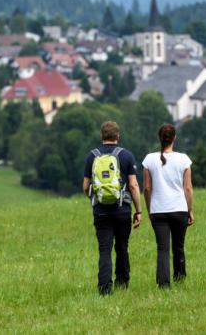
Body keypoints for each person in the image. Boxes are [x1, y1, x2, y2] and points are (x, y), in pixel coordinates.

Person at [83, 121, 142, 295]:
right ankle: (122, 283)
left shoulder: (91, 156)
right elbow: (133, 186)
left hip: (101, 211)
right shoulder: (126, 156)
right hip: (122, 210)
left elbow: (86, 186)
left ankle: (104, 288)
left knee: (104, 249)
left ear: (102, 136)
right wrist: (138, 211)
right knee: (122, 247)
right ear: (118, 136)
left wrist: (93, 199)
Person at [142, 123, 194, 288]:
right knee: (178, 246)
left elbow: (147, 188)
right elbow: (188, 188)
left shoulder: (149, 160)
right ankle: (180, 278)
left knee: (162, 248)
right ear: (174, 138)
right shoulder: (183, 159)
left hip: (158, 210)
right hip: (179, 209)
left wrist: (150, 208)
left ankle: (163, 284)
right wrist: (190, 210)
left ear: (159, 138)